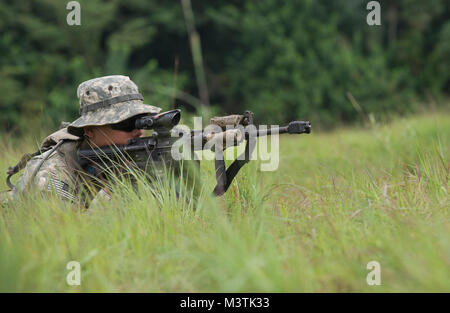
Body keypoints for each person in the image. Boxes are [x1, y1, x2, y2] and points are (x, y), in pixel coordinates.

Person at [5, 75, 161, 209]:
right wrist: (114, 190)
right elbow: (64, 236)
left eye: (142, 120)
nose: (139, 131)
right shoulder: (53, 171)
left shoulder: (128, 158)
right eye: (127, 124)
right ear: (90, 130)